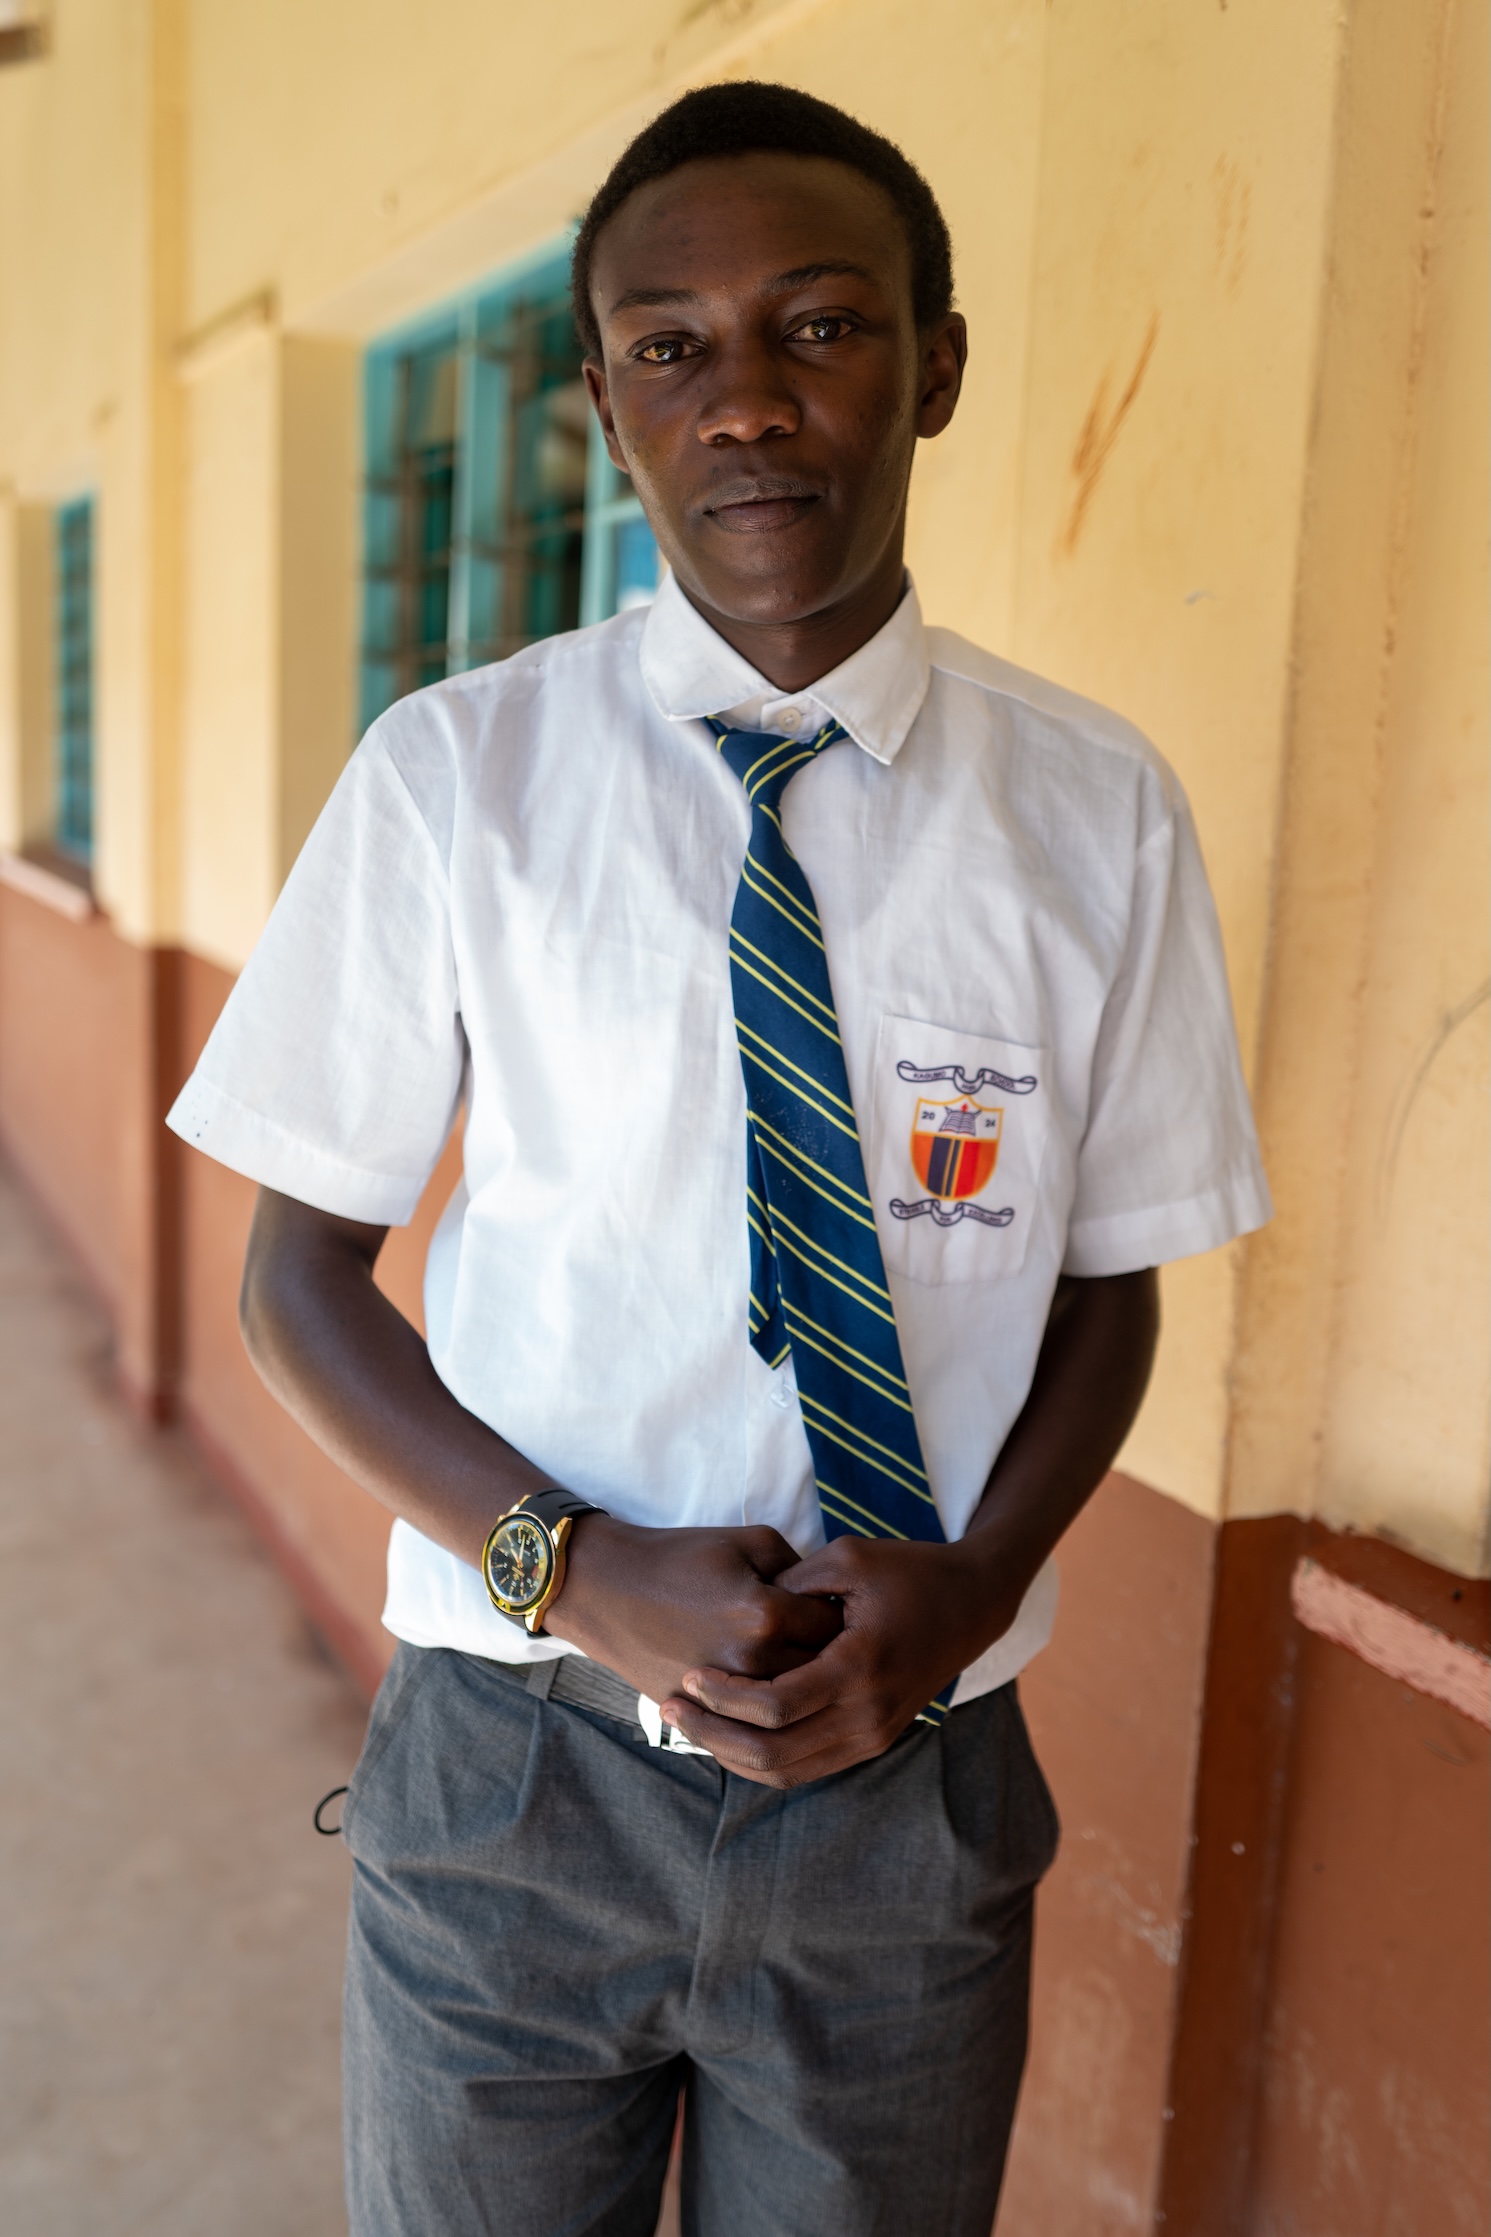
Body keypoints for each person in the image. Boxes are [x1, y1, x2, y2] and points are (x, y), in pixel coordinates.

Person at [168, 80, 1269, 2237]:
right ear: (603, 407)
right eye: (667, 346)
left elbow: (1107, 1278)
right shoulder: (458, 778)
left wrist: (968, 1590)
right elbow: (294, 1284)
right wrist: (571, 1567)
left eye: (822, 326)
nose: (745, 400)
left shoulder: (1093, 809)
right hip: (518, 1766)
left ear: (935, 366)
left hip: (907, 1789)